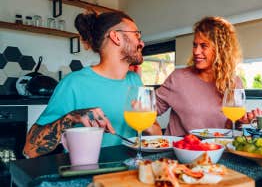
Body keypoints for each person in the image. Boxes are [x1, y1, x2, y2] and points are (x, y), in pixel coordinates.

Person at [23, 11, 161, 158]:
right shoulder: (74, 84)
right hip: (89, 176)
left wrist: (145, 124)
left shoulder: (135, 80)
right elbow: (29, 149)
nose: (142, 43)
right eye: (136, 35)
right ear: (116, 37)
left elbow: (157, 133)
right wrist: (72, 117)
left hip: (129, 174)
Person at [156, 16, 262, 136]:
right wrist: (155, 134)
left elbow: (228, 127)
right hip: (182, 152)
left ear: (220, 50)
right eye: (195, 45)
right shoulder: (178, 79)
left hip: (218, 151)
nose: (196, 52)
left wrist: (241, 120)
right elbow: (147, 110)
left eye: (203, 46)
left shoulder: (234, 82)